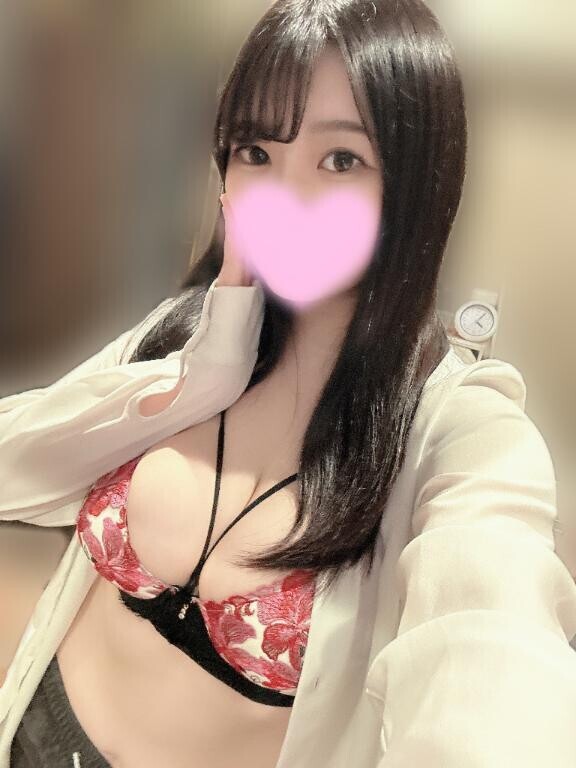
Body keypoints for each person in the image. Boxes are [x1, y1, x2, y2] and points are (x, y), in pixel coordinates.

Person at [2, 1, 576, 766]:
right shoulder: (183, 331)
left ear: (417, 184)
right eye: (256, 151)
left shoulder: (461, 431)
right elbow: (14, 465)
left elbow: (490, 651)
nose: (286, 195)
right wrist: (197, 377)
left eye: (340, 160)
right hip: (30, 725)